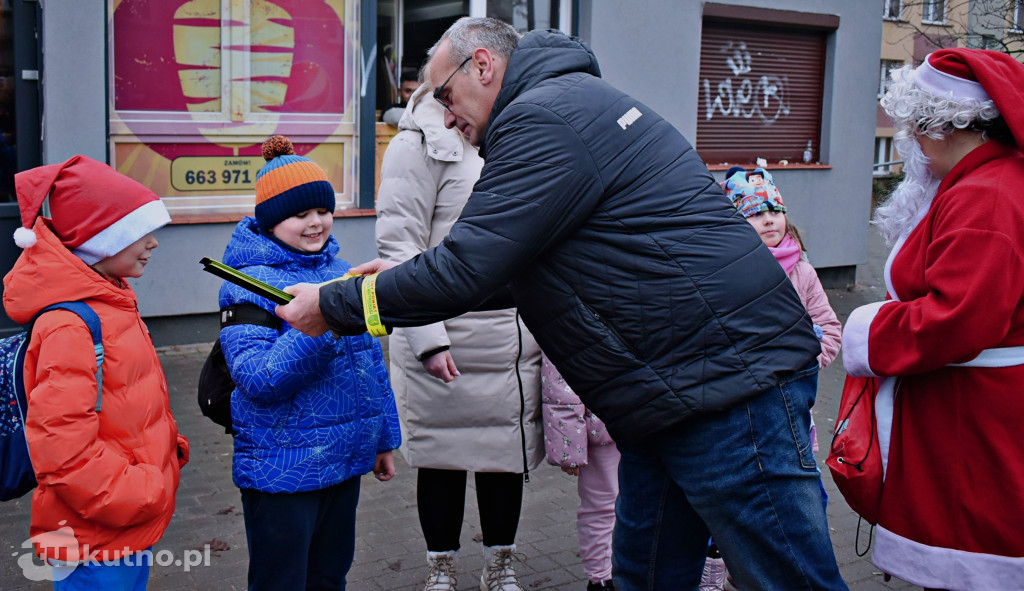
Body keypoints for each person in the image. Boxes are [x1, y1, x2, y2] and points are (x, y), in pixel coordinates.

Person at [276, 17, 847, 591]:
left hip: (729, 389)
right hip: (677, 396)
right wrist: (400, 279)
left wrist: (335, 305)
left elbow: (467, 268)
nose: (447, 115)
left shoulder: (541, 117)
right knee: (645, 576)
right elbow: (518, 270)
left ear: (482, 65)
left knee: (787, 578)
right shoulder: (567, 103)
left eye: (445, 95)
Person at [843, 48, 1024, 591]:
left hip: (972, 413)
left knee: (967, 552)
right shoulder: (987, 182)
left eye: (914, 130)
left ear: (943, 125)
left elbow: (957, 319)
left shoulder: (986, 196)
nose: (912, 145)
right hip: (973, 401)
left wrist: (867, 330)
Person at [375, 77, 543, 591]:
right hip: (442, 335)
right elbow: (398, 246)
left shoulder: (517, 133)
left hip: (510, 336)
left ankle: (501, 565)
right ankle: (441, 569)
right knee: (440, 461)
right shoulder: (415, 144)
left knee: (503, 461)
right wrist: (428, 338)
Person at [217, 135, 401, 591]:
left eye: (322, 210)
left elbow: (370, 366)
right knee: (281, 581)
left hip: (343, 460)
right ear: (271, 221)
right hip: (283, 471)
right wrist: (327, 322)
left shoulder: (336, 270)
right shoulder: (246, 283)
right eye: (300, 214)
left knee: (329, 576)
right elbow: (259, 378)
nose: (316, 222)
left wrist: (383, 438)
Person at [3, 155, 189, 590]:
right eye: (140, 232)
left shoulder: (112, 299)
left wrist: (163, 451)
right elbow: (61, 448)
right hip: (90, 531)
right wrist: (141, 488)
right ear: (100, 239)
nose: (153, 244)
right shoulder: (71, 325)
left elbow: (127, 403)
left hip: (115, 523)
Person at [541, 356, 618, 591]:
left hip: (651, 421)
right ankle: (602, 579)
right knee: (603, 505)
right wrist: (569, 446)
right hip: (603, 428)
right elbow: (559, 381)